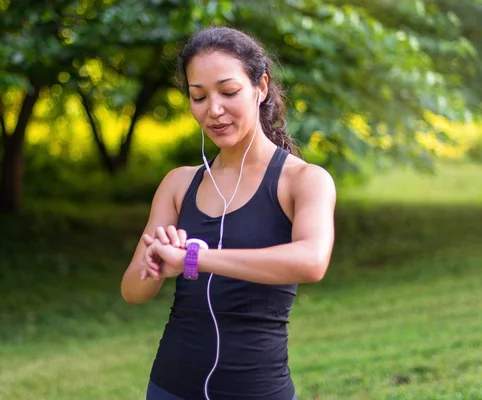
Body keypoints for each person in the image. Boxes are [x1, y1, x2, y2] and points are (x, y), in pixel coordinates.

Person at [120, 26, 336, 400]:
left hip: (258, 390)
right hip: (169, 387)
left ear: (261, 88)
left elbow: (312, 261)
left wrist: (194, 258)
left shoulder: (303, 181)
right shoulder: (178, 184)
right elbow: (133, 292)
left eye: (228, 91)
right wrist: (154, 260)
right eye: (198, 96)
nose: (213, 110)